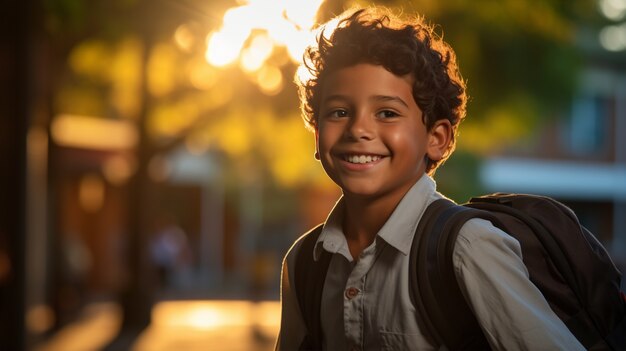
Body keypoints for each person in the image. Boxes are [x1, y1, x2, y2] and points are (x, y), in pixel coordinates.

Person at [275, 6, 586, 351]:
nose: (358, 129)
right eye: (339, 112)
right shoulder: (304, 262)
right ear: (317, 135)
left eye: (387, 113)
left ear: (437, 139)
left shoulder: (467, 247)